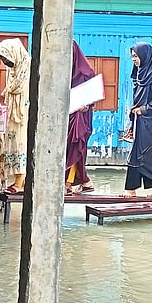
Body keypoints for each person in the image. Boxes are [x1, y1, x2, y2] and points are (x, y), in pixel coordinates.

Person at [123, 42, 152, 197]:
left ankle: (132, 189)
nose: (134, 60)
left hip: (150, 119)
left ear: (145, 55)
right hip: (141, 119)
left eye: (136, 56)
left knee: (143, 152)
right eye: (132, 57)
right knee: (142, 151)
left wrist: (144, 109)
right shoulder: (140, 72)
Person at [0, 39, 31, 193]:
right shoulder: (14, 68)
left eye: (6, 58)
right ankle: (18, 180)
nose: (4, 62)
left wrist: (3, 95)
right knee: (12, 144)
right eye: (2, 59)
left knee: (21, 144)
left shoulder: (27, 65)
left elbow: (16, 87)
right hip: (12, 112)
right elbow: (10, 88)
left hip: (23, 112)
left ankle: (19, 182)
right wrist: (1, 98)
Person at [66, 41, 97, 195]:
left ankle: (68, 183)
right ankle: (84, 181)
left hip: (80, 117)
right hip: (67, 114)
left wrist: (87, 104)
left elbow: (93, 94)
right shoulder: (63, 71)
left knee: (75, 147)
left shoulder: (86, 72)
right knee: (70, 148)